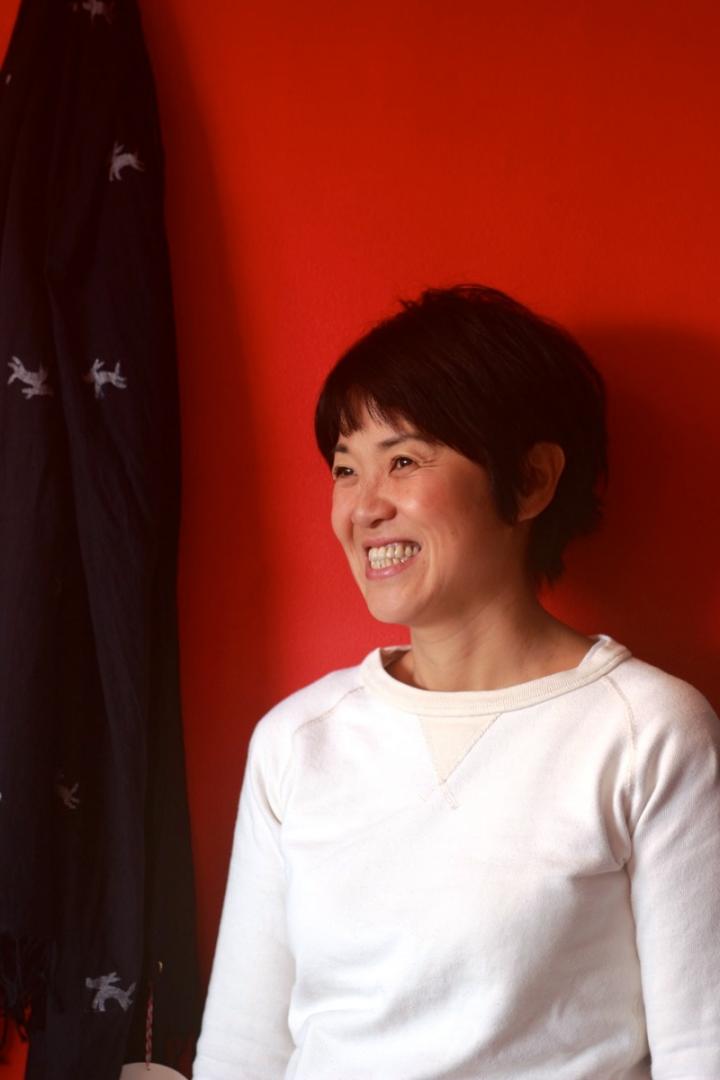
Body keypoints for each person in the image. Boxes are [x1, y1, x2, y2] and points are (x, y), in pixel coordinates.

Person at [192, 285, 720, 1079]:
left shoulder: (649, 731)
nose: (363, 508)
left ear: (532, 480)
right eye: (345, 468)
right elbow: (242, 1051)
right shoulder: (295, 741)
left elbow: (703, 1050)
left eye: (403, 461)